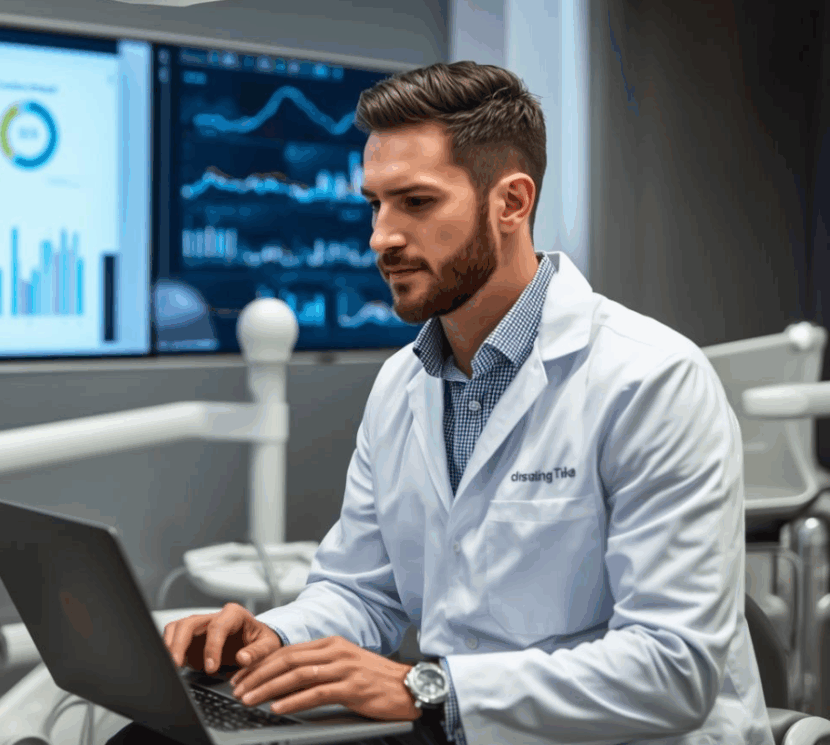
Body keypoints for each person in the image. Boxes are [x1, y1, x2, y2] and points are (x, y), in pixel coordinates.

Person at [109, 61, 776, 744]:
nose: (381, 238)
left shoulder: (653, 379)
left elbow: (673, 669)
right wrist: (269, 634)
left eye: (417, 203)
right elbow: (361, 591)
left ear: (511, 203)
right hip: (454, 725)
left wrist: (425, 686)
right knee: (151, 737)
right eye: (375, 203)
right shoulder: (403, 383)